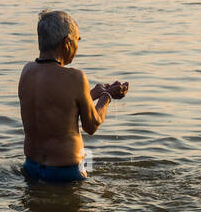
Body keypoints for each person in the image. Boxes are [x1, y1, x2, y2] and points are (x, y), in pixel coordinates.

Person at [18, 10, 128, 182]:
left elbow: (57, 107)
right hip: (65, 173)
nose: (77, 47)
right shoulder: (75, 77)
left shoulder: (27, 72)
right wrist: (106, 97)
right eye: (77, 40)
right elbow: (91, 125)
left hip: (31, 168)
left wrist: (91, 94)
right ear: (66, 43)